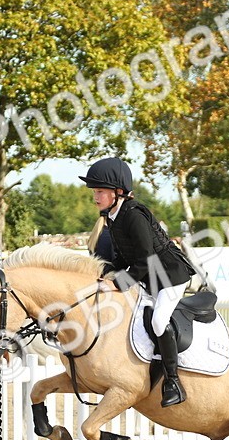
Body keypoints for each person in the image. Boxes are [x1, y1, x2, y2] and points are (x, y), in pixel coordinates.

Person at [81, 157, 196, 407]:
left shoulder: (133, 215)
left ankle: (173, 382)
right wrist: (105, 272)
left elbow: (147, 260)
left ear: (118, 192)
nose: (95, 197)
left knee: (158, 321)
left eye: (100, 191)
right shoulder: (114, 216)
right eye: (95, 191)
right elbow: (124, 257)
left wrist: (119, 284)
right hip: (150, 276)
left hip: (170, 276)